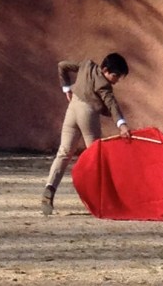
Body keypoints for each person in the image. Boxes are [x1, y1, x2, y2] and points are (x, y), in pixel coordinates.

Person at [42, 52, 131, 215]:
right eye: (115, 75)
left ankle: (49, 189)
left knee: (63, 152)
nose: (116, 80)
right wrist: (122, 124)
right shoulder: (104, 83)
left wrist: (66, 88)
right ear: (105, 69)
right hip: (87, 113)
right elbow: (111, 103)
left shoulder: (86, 65)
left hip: (72, 109)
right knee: (95, 156)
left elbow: (62, 65)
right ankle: (102, 201)